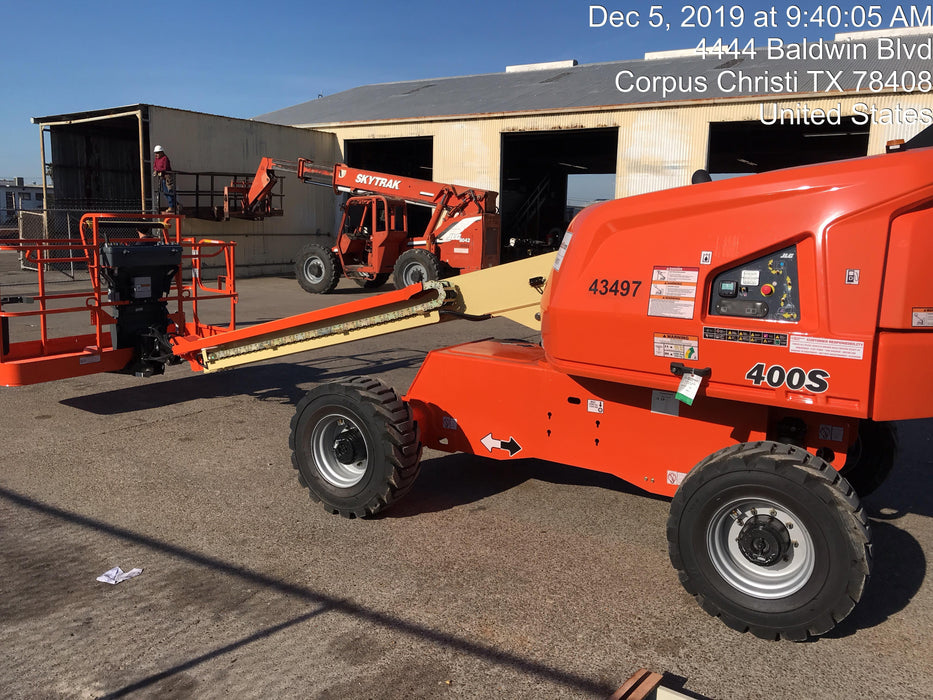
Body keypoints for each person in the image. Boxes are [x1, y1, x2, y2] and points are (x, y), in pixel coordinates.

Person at [152, 145, 176, 213]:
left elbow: (164, 168)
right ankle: (176, 205)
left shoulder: (165, 158)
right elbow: (155, 166)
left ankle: (172, 207)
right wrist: (156, 170)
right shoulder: (157, 159)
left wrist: (157, 170)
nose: (156, 154)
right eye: (155, 153)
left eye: (157, 153)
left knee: (169, 192)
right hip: (162, 177)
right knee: (165, 193)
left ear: (161, 152)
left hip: (167, 177)